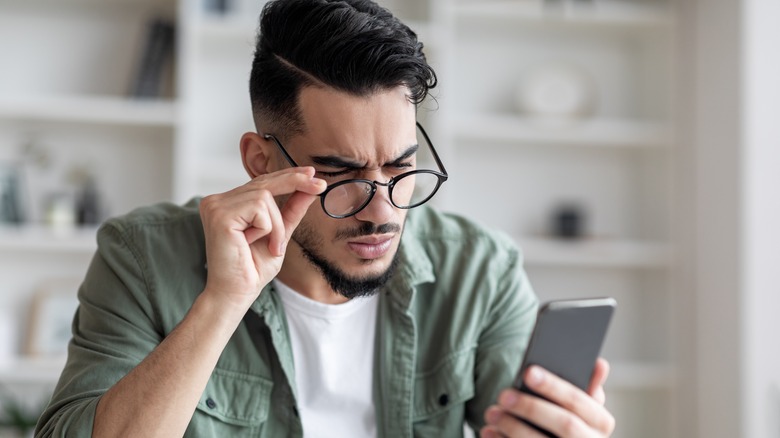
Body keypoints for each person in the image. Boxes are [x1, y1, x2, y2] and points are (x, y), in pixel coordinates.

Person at [35, 0, 615, 436]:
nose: (384, 211)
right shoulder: (142, 256)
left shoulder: (480, 270)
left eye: (401, 167)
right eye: (341, 174)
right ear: (261, 163)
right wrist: (222, 301)